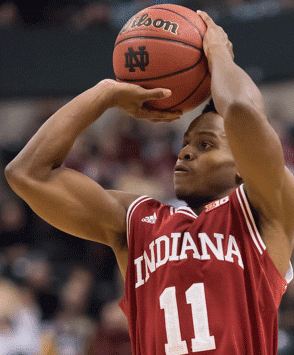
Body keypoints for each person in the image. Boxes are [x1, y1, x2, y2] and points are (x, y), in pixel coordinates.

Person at [4, 10, 294, 355]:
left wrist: (218, 54)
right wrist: (104, 95)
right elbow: (26, 174)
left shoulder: (264, 213)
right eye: (185, 144)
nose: (185, 153)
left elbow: (244, 113)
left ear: (243, 166)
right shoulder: (139, 223)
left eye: (205, 145)